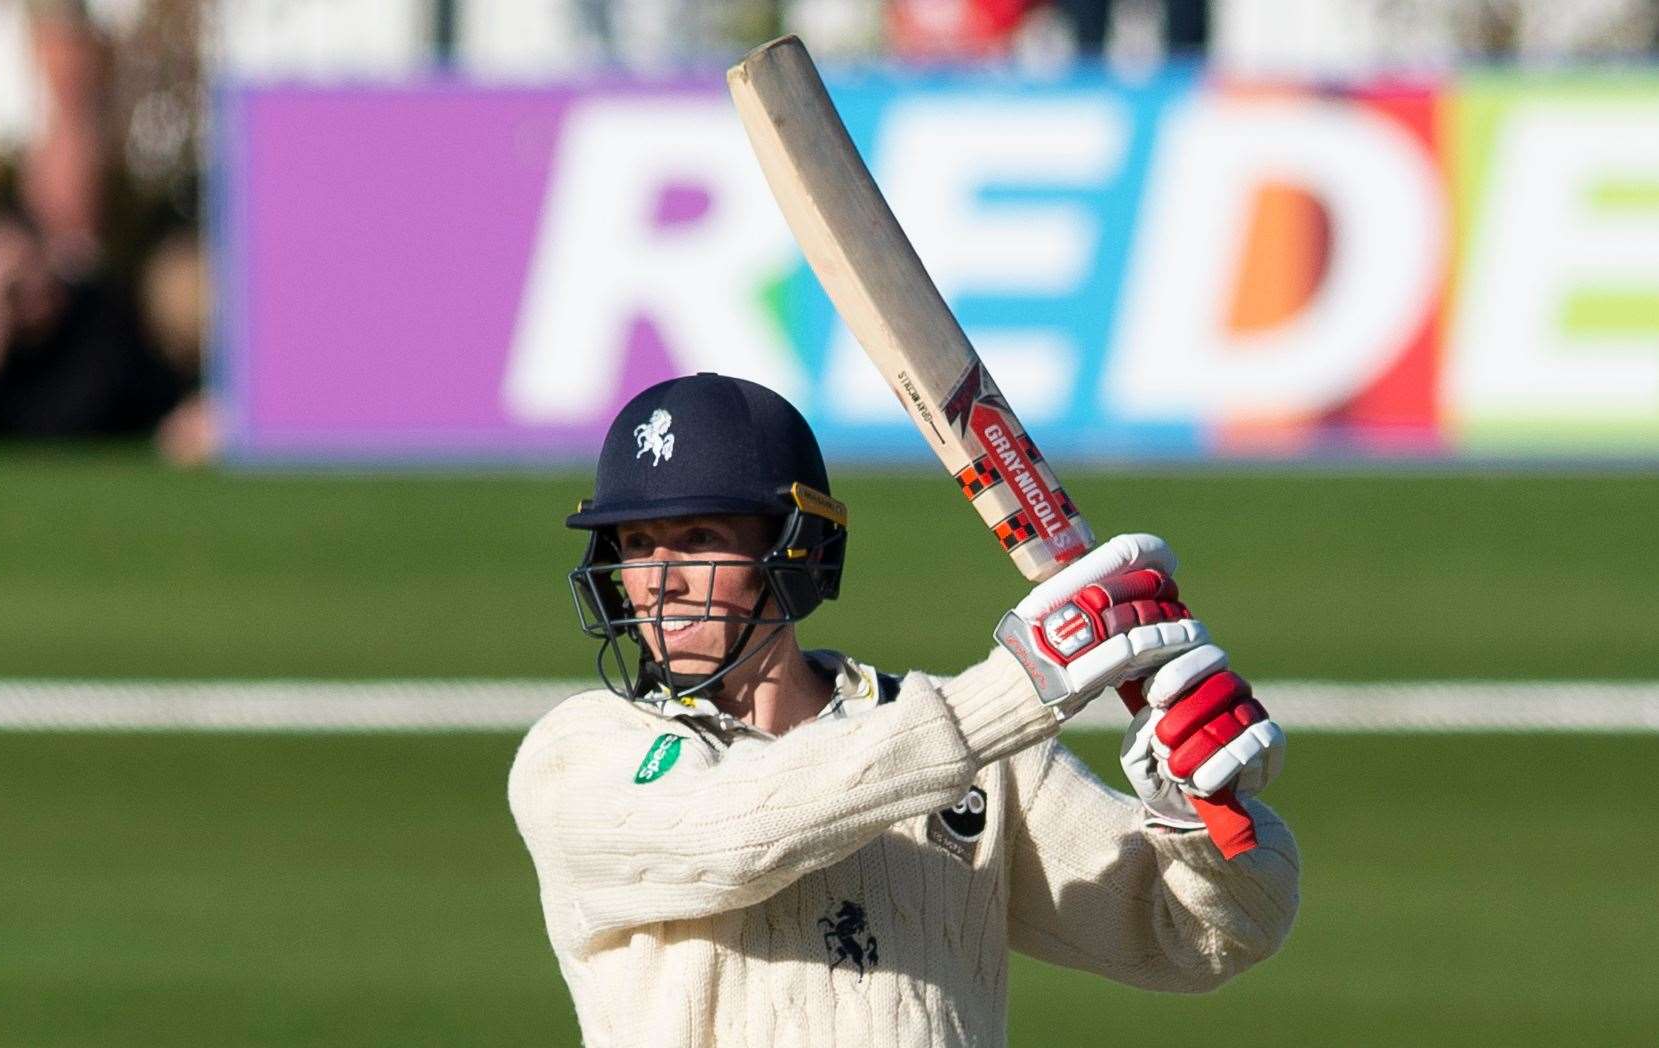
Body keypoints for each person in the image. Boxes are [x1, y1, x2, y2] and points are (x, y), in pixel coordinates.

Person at [509, 373, 1298, 1046]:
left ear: (796, 550)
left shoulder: (988, 762)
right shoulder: (580, 753)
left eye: (698, 537)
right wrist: (1018, 686)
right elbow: (734, 836)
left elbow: (1197, 942)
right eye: (637, 543)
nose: (658, 577)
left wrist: (1196, 816)